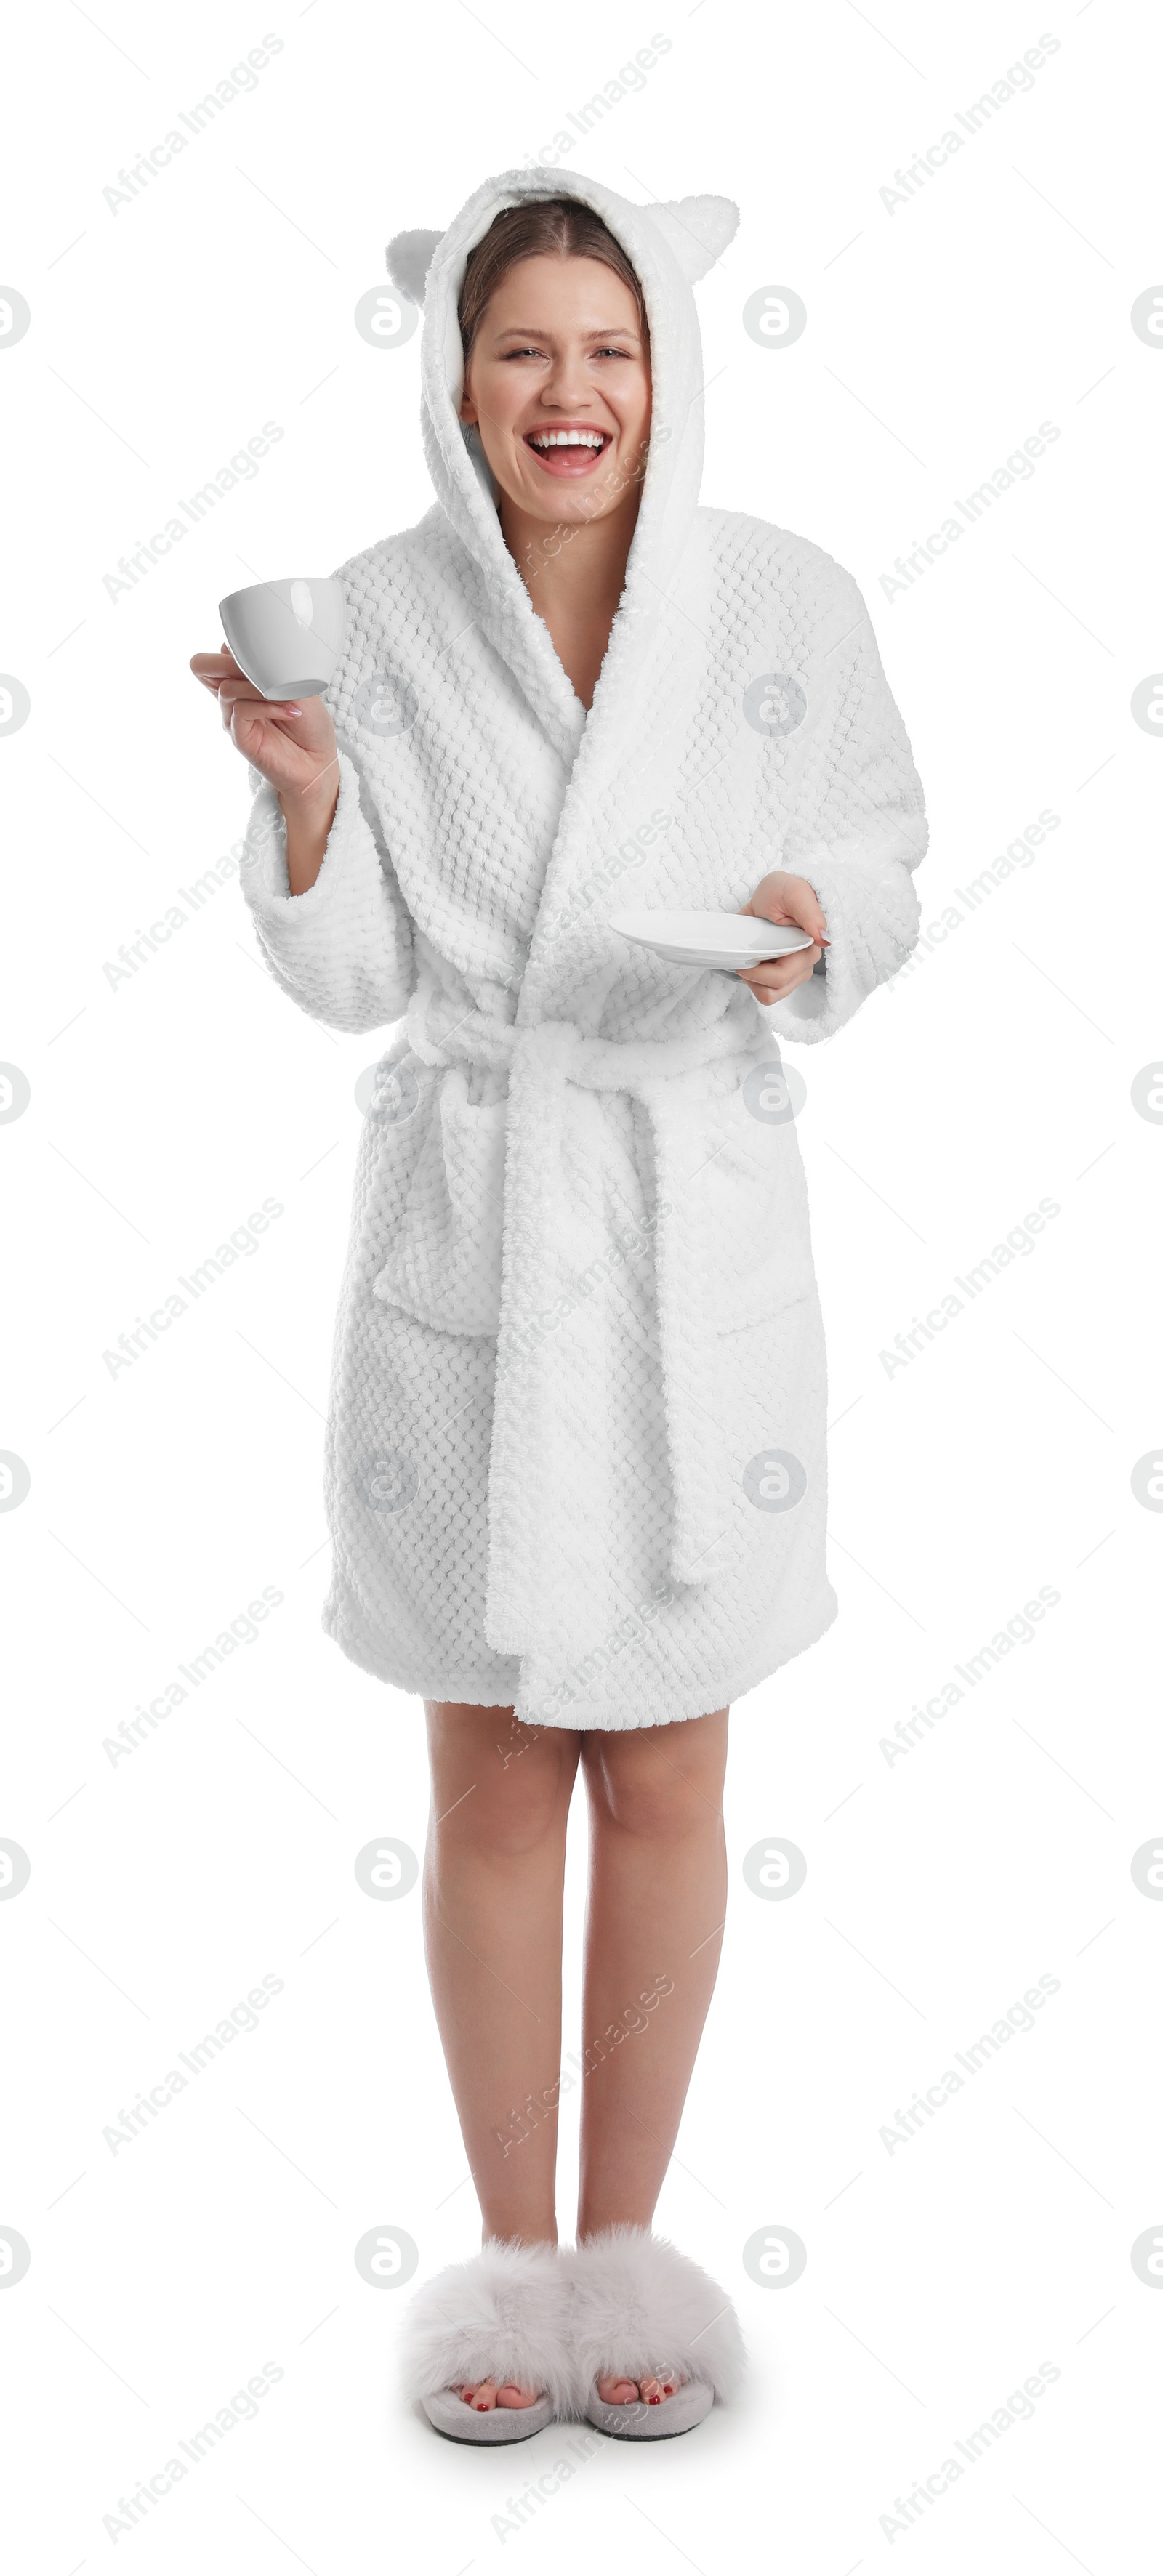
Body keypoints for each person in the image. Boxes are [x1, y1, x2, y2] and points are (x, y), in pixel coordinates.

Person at [191, 169, 926, 2444]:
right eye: (523, 348)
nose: (568, 391)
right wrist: (309, 807)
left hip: (689, 1216)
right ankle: (512, 2270)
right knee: (494, 1764)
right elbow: (352, 981)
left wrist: (823, 916)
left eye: (609, 349)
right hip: (480, 1228)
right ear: (455, 376)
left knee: (678, 1758)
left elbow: (887, 850)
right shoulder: (382, 626)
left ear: (671, 369)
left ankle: (633, 2258)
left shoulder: (784, 599)